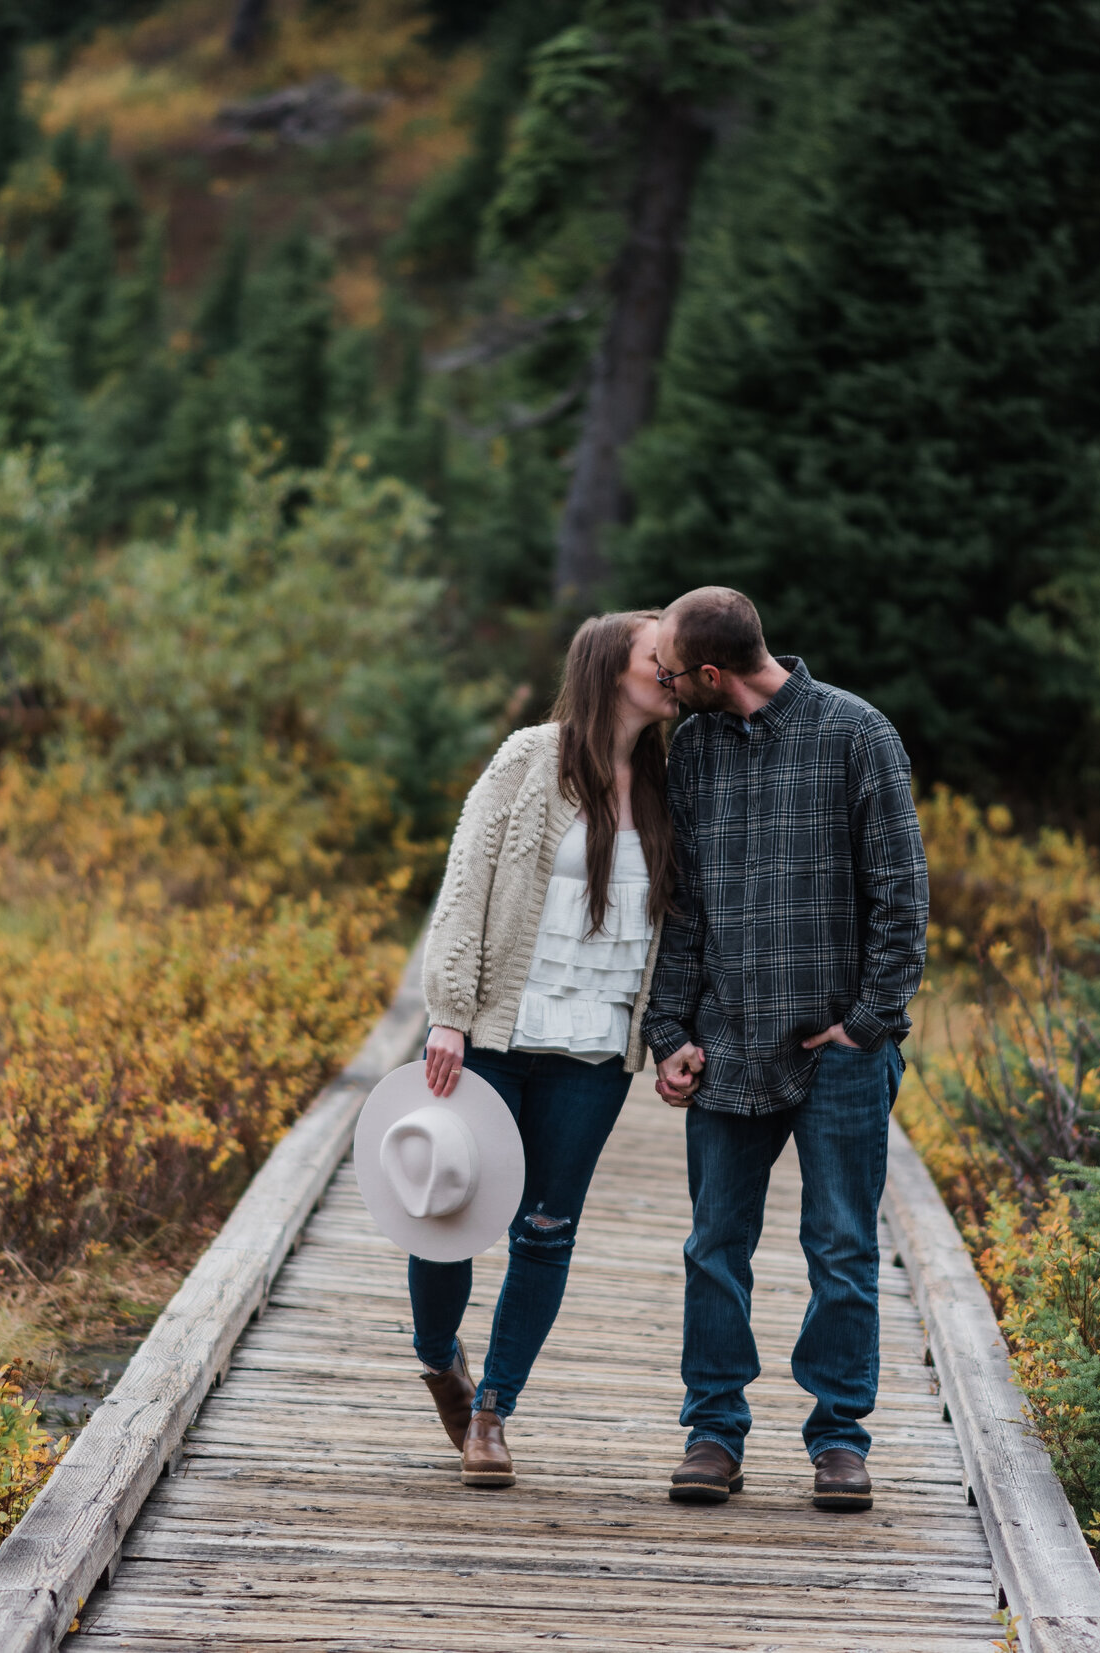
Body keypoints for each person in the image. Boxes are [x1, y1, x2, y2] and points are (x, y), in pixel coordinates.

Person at [642, 585, 928, 1513]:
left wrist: (868, 1022)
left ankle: (839, 1440)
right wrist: (670, 1032)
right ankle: (713, 1431)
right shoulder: (694, 750)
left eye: (676, 674)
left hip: (839, 1052)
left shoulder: (858, 734)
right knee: (714, 1246)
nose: (667, 687)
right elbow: (683, 904)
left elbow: (902, 895)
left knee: (842, 1248)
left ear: (715, 672)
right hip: (727, 1047)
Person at [411, 610, 683, 1488]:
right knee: (449, 1216)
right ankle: (436, 1354)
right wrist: (448, 1011)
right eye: (659, 660)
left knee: (546, 1230)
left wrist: (672, 1034)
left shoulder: (670, 783)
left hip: (596, 1047)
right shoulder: (528, 760)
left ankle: (492, 1409)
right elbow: (464, 886)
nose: (674, 673)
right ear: (612, 667)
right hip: (495, 1034)